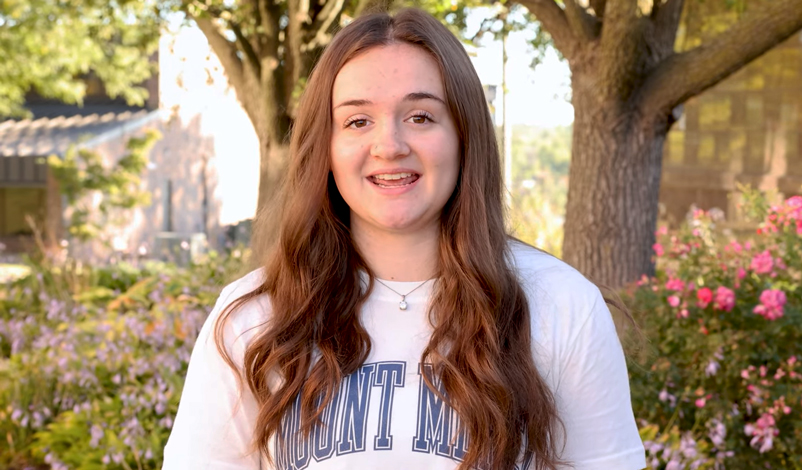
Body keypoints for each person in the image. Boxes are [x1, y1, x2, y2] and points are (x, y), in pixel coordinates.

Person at [163, 8, 646, 470]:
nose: (389, 145)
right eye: (357, 120)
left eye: (420, 117)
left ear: (464, 135)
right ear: (324, 147)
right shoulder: (253, 319)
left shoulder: (562, 307)